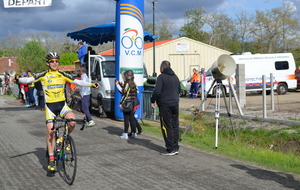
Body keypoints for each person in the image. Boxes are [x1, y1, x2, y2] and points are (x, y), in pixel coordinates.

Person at [19, 52, 99, 172]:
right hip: (50, 108)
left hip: (62, 106)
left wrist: (91, 84)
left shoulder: (62, 74)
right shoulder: (44, 75)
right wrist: (19, 79)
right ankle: (51, 159)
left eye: (56, 61)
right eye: (52, 61)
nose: (55, 63)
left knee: (72, 122)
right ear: (48, 63)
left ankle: (64, 138)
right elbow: (28, 79)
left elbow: (77, 82)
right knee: (51, 132)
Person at [151, 60, 181, 156]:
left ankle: (170, 148)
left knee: (166, 126)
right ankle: (175, 146)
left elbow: (157, 91)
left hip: (165, 104)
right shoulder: (175, 77)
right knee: (175, 125)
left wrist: (153, 100)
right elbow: (179, 90)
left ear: (162, 68)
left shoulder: (161, 77)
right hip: (175, 104)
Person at [115, 70, 138, 139]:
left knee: (126, 119)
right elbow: (129, 91)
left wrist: (117, 85)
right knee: (132, 118)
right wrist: (122, 85)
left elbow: (124, 93)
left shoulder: (127, 84)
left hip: (127, 103)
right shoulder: (134, 83)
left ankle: (125, 133)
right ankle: (134, 133)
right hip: (132, 102)